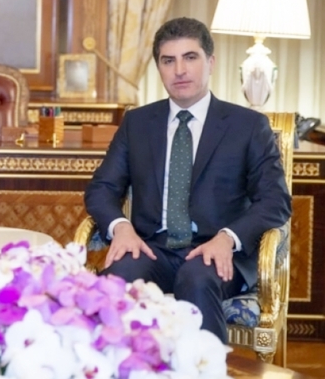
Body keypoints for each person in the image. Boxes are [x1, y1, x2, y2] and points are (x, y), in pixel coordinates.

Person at [84, 17, 291, 343]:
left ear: (210, 62)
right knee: (114, 281)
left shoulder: (248, 126)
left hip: (217, 251)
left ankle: (208, 366)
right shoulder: (137, 123)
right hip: (152, 248)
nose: (179, 70)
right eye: (168, 60)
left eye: (190, 57)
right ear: (159, 68)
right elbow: (102, 188)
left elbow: (275, 200)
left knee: (196, 279)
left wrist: (228, 238)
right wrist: (120, 227)